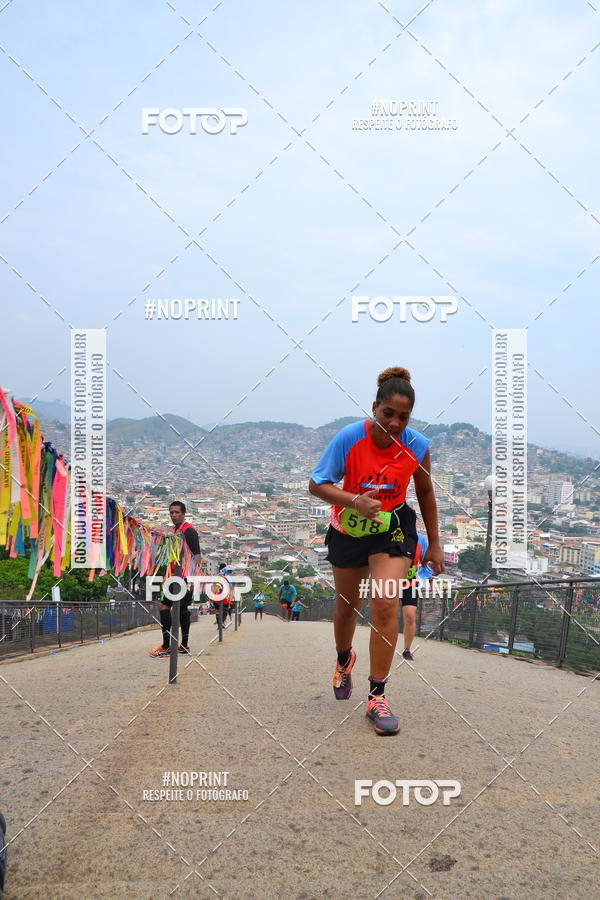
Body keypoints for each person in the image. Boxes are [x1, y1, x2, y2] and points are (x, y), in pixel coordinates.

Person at [309, 366, 444, 736]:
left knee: (385, 603)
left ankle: (377, 695)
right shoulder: (349, 438)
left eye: (404, 417)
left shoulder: (417, 445)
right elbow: (317, 484)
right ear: (375, 408)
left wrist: (434, 542)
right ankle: (343, 658)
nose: (396, 423)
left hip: (394, 526)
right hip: (349, 527)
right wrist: (354, 501)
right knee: (347, 604)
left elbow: (427, 492)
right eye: (389, 414)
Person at [149, 501, 203, 657]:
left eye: (177, 512)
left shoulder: (189, 531)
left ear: (183, 513)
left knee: (171, 608)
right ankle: (182, 645)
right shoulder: (176, 530)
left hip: (183, 578)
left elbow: (197, 556)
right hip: (174, 577)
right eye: (171, 512)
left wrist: (192, 581)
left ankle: (168, 645)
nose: (174, 515)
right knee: (179, 611)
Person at [400, 532, 429, 660]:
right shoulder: (390, 532)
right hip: (389, 581)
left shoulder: (420, 539)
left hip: (410, 583)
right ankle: (384, 646)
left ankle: (407, 649)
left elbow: (428, 564)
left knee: (410, 615)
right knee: (386, 613)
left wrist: (420, 577)